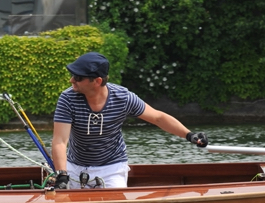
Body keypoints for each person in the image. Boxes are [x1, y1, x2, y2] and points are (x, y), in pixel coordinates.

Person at [49, 52, 209, 189]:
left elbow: (158, 118)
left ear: (97, 81)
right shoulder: (67, 99)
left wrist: (189, 135)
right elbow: (60, 141)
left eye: (78, 77)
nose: (71, 80)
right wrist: (62, 174)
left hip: (112, 167)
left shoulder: (123, 98)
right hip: (75, 166)